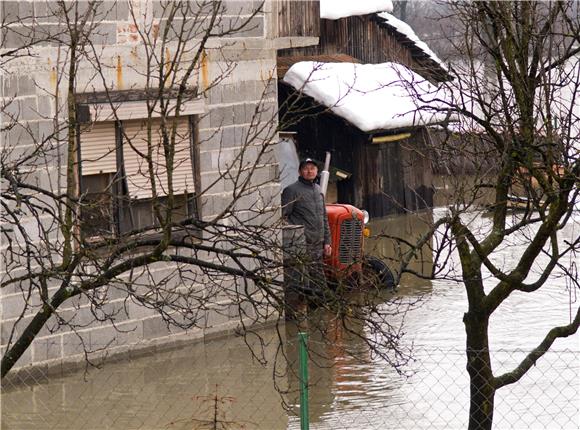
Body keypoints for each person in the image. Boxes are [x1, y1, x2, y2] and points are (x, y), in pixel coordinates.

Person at [281, 158, 332, 292]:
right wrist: (297, 237)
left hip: (318, 243)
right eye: (306, 168)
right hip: (302, 244)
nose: (309, 171)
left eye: (312, 168)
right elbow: (282, 217)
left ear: (317, 171)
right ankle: (308, 305)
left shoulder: (318, 190)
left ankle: (320, 305)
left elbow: (323, 217)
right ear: (300, 171)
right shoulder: (291, 190)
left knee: (318, 277)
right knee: (303, 280)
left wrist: (327, 241)